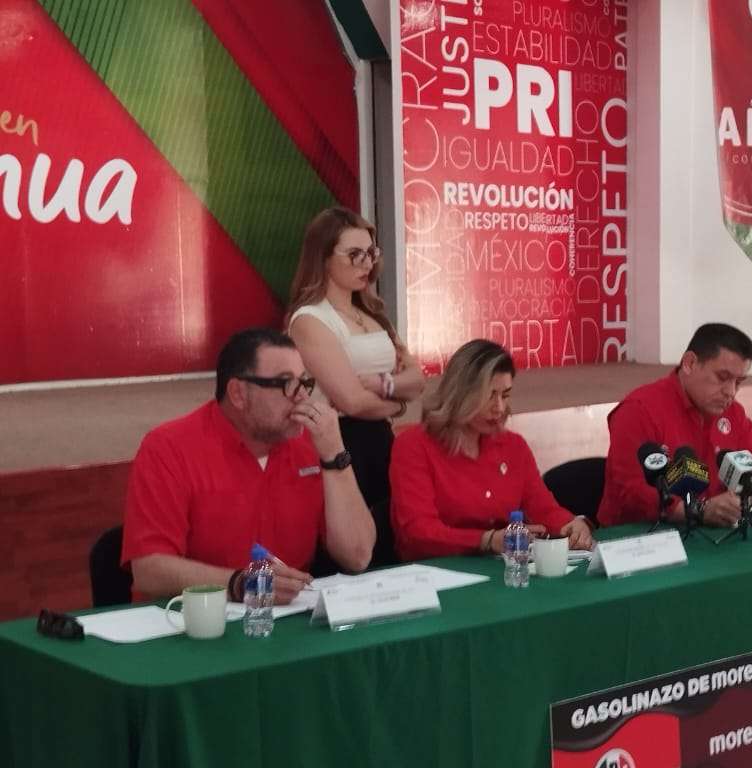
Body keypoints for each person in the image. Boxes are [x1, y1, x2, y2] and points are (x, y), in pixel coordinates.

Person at [122, 328, 375, 603]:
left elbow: (358, 556)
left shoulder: (312, 444)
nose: (302, 396)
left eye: (304, 383)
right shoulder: (169, 448)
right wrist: (242, 584)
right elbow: (149, 570)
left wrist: (335, 454)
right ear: (238, 393)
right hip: (195, 616)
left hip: (288, 615)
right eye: (286, 384)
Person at [285, 207, 426, 562]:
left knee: (390, 539)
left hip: (381, 437)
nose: (367, 264)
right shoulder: (310, 319)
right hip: (341, 440)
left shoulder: (373, 313)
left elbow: (417, 380)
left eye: (371, 253)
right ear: (323, 257)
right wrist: (398, 402)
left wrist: (382, 384)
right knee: (352, 549)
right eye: (354, 254)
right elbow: (350, 400)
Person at [390, 339, 593, 559]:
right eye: (489, 396)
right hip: (432, 568)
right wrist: (486, 540)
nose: (499, 408)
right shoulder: (413, 446)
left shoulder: (514, 446)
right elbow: (418, 533)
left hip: (501, 566)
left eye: (505, 395)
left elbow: (542, 508)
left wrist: (571, 525)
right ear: (460, 394)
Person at [597, 323, 752, 528]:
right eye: (722, 378)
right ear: (690, 363)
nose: (730, 392)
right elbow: (631, 493)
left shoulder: (733, 413)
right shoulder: (639, 410)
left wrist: (737, 502)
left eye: (738, 382)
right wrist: (698, 510)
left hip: (714, 530)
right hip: (643, 535)